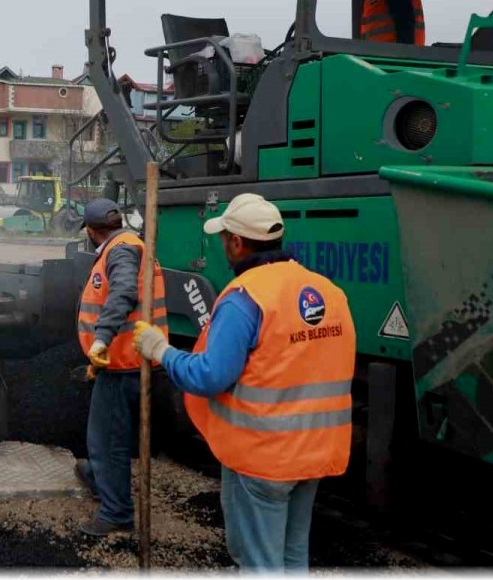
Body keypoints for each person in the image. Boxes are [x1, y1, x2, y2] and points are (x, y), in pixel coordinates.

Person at [133, 193, 356, 571]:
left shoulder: (245, 298)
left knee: (260, 565)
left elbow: (209, 376)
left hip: (265, 457)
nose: (223, 246)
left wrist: (161, 351)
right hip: (315, 453)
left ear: (236, 243)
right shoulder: (327, 291)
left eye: (223, 239)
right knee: (292, 557)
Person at [72, 199, 167, 537]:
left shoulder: (121, 251)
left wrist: (101, 340)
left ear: (91, 230)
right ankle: (99, 476)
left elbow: (124, 292)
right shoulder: (130, 244)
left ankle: (116, 512)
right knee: (106, 434)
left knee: (107, 439)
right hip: (127, 360)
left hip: (122, 363)